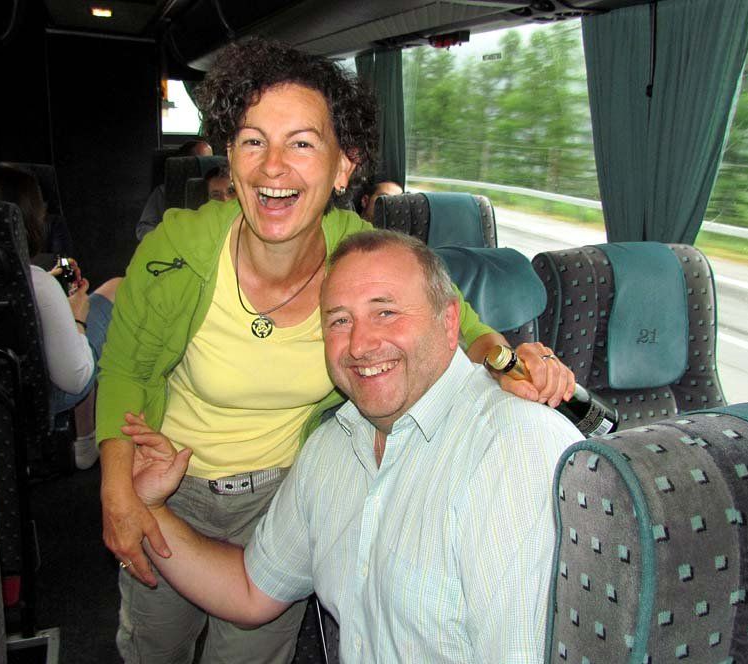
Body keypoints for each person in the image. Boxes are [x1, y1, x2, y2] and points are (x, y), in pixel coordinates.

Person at [96, 37, 574, 664]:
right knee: (154, 645)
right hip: (168, 474)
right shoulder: (176, 249)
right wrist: (119, 491)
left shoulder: (357, 254)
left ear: (343, 167)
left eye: (301, 143)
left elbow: (460, 318)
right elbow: (125, 369)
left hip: (282, 489)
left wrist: (511, 365)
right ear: (230, 160)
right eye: (253, 141)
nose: (273, 167)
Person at [122, 230, 582, 663]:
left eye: (386, 313)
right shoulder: (332, 449)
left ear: (449, 323)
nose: (360, 345)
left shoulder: (515, 448)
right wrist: (151, 507)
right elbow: (250, 591)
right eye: (340, 321)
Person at [0, 162, 122, 469]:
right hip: (36, 400)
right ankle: (88, 440)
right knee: (116, 288)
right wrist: (77, 317)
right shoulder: (37, 283)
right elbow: (75, 378)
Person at [136, 139, 214, 240]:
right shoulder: (163, 192)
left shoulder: (220, 191)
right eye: (202, 161)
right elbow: (143, 228)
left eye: (210, 161)